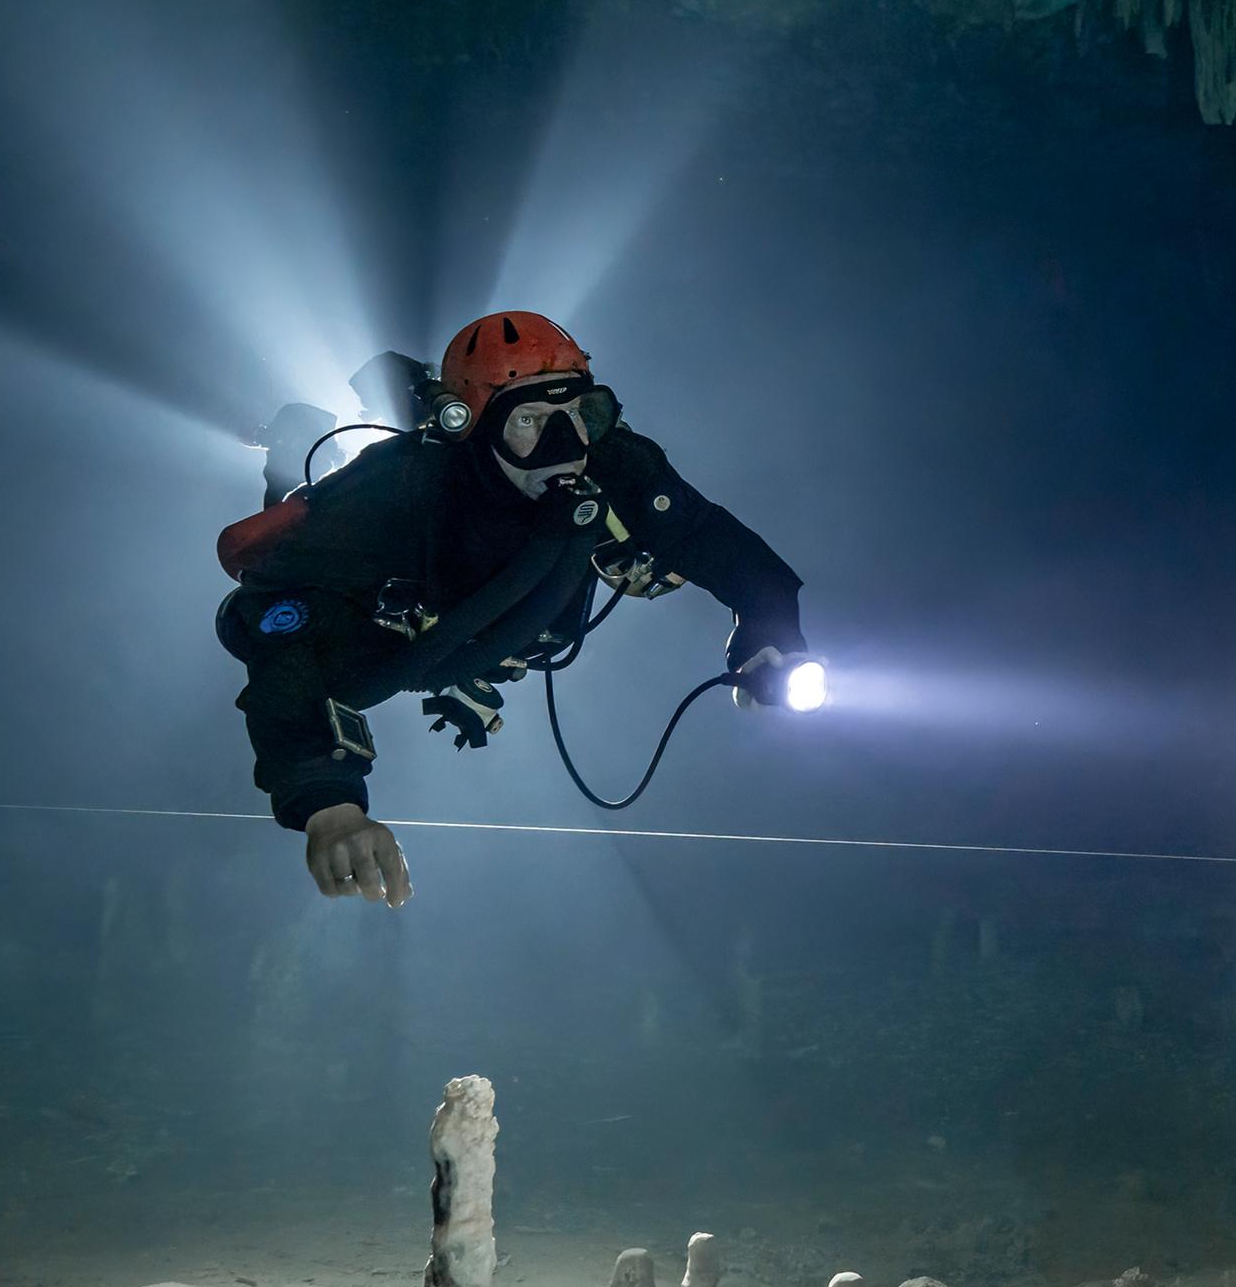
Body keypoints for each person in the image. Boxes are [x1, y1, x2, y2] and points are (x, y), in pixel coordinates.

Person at [216, 311, 809, 910]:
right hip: (397, 624)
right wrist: (329, 805)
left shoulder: (615, 464)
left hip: (488, 631)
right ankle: (291, 444)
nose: (565, 444)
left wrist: (770, 633)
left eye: (580, 413)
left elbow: (714, 541)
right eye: (529, 419)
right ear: (473, 426)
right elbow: (278, 624)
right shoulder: (400, 485)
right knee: (330, 639)